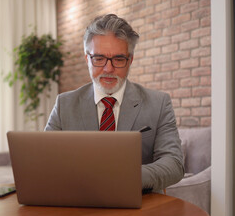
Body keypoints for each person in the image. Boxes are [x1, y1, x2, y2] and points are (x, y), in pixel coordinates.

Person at [45, 14, 184, 193]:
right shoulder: (65, 105)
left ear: (130, 60)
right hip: (77, 204)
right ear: (87, 59)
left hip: (139, 205)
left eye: (118, 59)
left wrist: (126, 176)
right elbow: (46, 160)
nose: (108, 69)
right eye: (99, 58)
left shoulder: (158, 103)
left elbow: (174, 164)